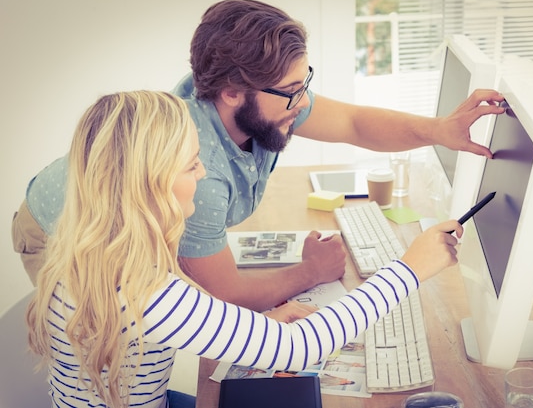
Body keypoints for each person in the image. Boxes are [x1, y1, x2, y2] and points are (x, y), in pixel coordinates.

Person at [13, 0, 504, 312]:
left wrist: (440, 130)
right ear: (231, 92)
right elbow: (226, 296)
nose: (303, 101)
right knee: (118, 352)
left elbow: (354, 123)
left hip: (120, 212)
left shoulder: (268, 99)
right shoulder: (197, 177)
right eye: (291, 91)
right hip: (59, 231)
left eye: (304, 83)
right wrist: (309, 272)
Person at [26, 90, 463, 408]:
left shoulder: (91, 250)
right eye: (190, 164)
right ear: (148, 185)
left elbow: (184, 316)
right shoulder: (143, 292)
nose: (201, 172)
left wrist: (258, 321)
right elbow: (294, 348)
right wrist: (410, 268)